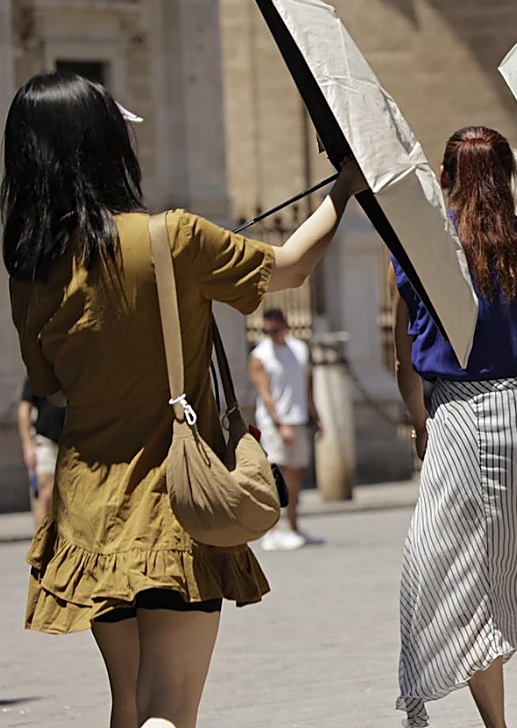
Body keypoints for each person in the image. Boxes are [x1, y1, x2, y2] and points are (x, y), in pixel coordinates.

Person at [3, 71, 366, 728]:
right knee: (171, 710)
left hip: (91, 508)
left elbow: (49, 385)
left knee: (130, 705)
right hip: (177, 497)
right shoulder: (174, 237)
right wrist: (344, 188)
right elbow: (289, 268)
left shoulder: (30, 269)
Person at [391, 126, 517, 728]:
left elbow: (402, 355)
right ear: (506, 176)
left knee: (463, 577)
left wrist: (419, 423)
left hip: (458, 413)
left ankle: (496, 725)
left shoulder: (421, 244)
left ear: (446, 176)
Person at [249, 308, 321, 551]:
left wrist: (316, 415)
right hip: (273, 424)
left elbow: (305, 387)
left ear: (285, 326)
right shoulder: (260, 355)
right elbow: (265, 394)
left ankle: (293, 527)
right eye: (266, 330)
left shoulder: (299, 350)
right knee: (275, 477)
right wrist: (281, 424)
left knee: (295, 477)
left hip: (298, 419)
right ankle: (272, 531)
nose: (270, 334)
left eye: (274, 330)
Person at [19, 376, 65, 525]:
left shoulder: (74, 367)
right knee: (46, 492)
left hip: (74, 442)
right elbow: (25, 409)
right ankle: (43, 540)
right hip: (46, 441)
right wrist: (27, 445)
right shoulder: (39, 372)